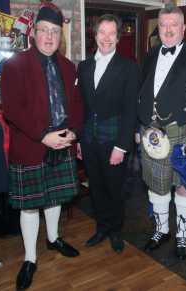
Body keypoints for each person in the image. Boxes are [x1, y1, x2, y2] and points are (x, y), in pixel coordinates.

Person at [0, 3, 83, 290]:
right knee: (30, 207)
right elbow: (11, 108)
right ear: (34, 33)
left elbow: (77, 104)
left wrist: (74, 132)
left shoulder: (68, 66)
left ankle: (53, 238)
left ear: (60, 35)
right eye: (44, 31)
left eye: (55, 32)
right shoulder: (15, 64)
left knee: (56, 198)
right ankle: (30, 258)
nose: (49, 37)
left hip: (63, 143)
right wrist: (43, 135)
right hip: (31, 146)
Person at [137, 5, 186, 260]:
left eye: (174, 25)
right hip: (152, 133)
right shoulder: (149, 55)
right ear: (158, 28)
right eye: (163, 25)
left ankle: (182, 234)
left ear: (183, 28)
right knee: (157, 185)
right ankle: (161, 229)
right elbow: (139, 92)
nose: (169, 30)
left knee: (184, 185)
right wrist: (137, 126)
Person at [78, 14, 140, 254]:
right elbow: (82, 107)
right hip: (89, 139)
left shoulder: (128, 67)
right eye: (101, 32)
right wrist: (80, 140)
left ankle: (115, 231)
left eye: (111, 33)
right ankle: (101, 227)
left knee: (115, 189)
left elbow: (130, 110)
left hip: (114, 141)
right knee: (96, 187)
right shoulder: (84, 66)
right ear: (95, 35)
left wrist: (122, 146)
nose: (106, 38)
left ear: (118, 36)